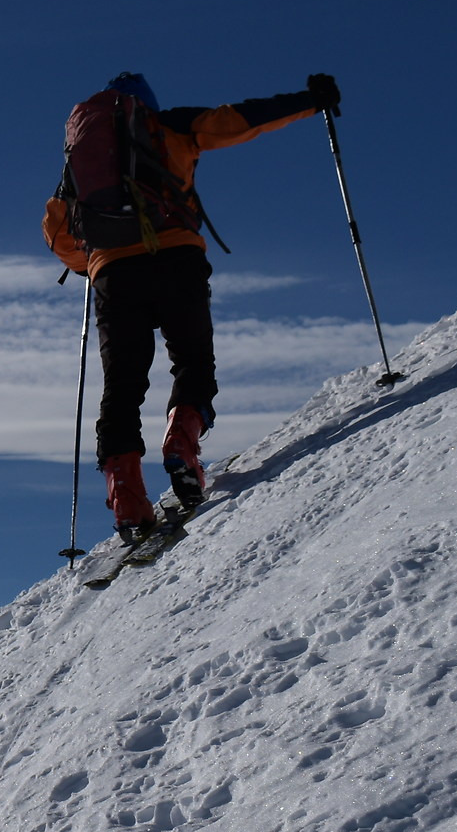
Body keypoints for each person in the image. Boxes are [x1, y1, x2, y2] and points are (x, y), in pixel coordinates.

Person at [44, 70, 340, 536]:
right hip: (177, 258)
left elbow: (58, 234)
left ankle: (126, 497)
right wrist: (310, 100)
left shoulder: (79, 166)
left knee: (121, 385)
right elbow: (241, 120)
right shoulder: (171, 127)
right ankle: (182, 446)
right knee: (193, 361)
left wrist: (92, 263)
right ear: (146, 106)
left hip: (113, 275)